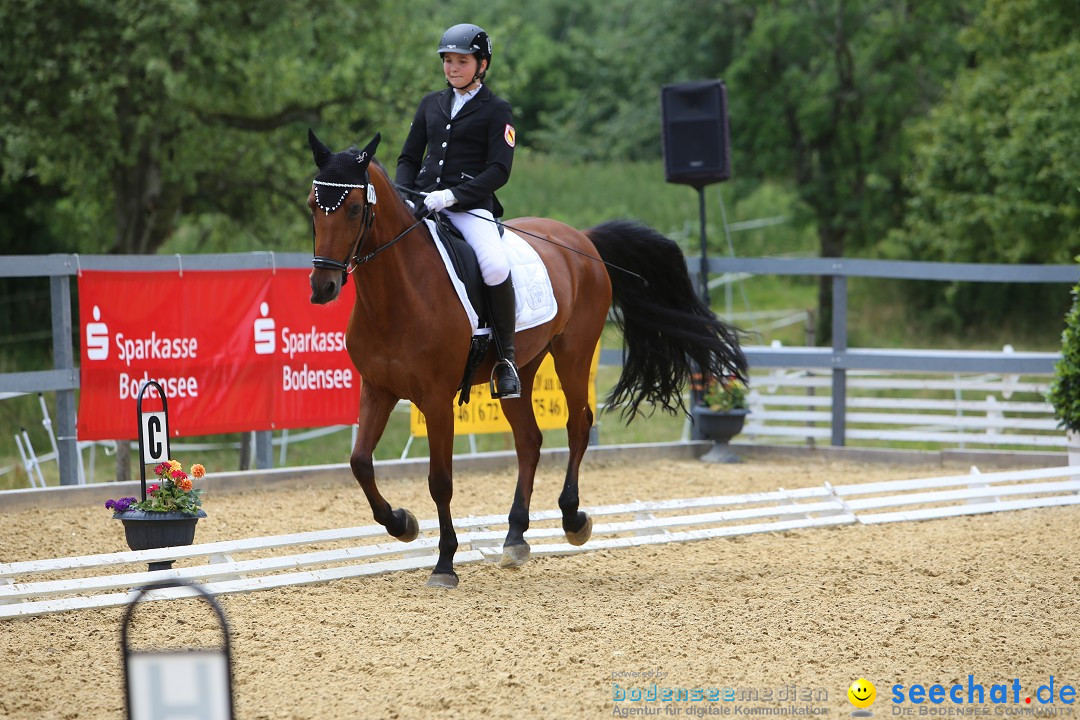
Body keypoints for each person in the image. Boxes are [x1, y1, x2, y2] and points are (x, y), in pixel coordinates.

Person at [396, 23, 521, 399]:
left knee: (496, 266)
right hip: (421, 205)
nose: (452, 68)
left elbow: (499, 170)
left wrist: (451, 196)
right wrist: (405, 194)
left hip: (468, 208)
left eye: (461, 61)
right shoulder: (430, 104)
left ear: (482, 64)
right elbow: (408, 157)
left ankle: (506, 360)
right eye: (448, 61)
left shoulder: (497, 110)